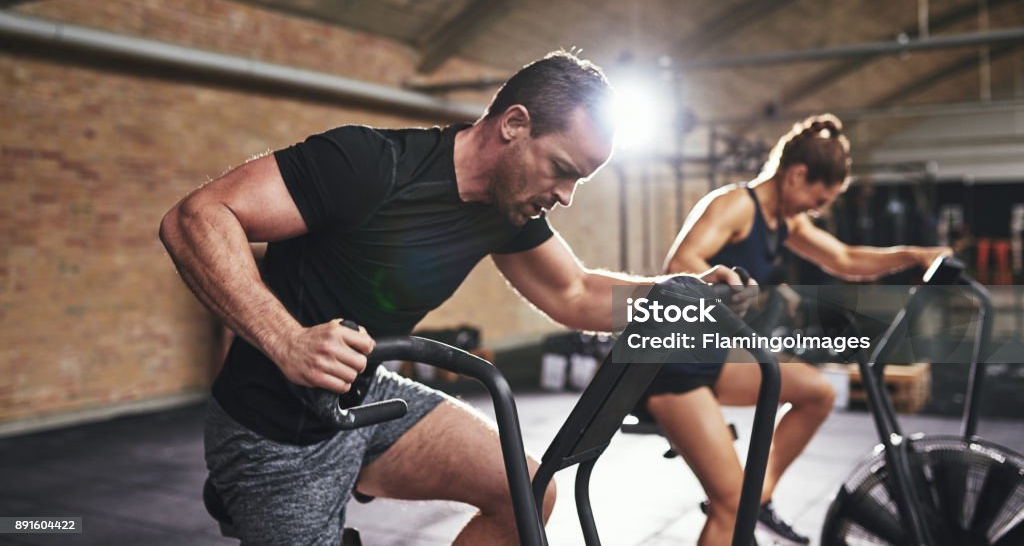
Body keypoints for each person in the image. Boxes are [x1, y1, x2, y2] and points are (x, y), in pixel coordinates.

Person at [159, 50, 746, 546]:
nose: (565, 196)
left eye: (578, 182)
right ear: (513, 124)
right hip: (271, 432)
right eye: (561, 170)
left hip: (366, 398)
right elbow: (197, 216)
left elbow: (574, 292)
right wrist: (286, 339)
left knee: (526, 496)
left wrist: (679, 299)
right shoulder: (371, 165)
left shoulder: (505, 209)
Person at [637, 114, 949, 546]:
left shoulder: (784, 220)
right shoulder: (734, 205)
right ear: (797, 174)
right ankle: (742, 503)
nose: (815, 210)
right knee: (731, 507)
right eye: (817, 198)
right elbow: (679, 265)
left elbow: (845, 260)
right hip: (673, 364)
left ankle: (756, 495)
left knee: (815, 392)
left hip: (714, 355)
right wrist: (739, 286)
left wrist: (915, 255)